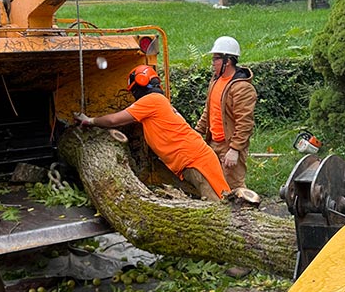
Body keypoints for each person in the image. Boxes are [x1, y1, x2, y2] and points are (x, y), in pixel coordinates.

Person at [74, 65, 230, 201]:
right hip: (190, 160)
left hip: (195, 160)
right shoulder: (159, 102)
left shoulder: (152, 101)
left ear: (139, 85)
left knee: (219, 204)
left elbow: (114, 120)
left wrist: (90, 121)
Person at [194, 36, 257, 190]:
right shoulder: (215, 81)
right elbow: (209, 111)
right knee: (213, 186)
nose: (212, 63)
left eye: (215, 59)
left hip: (229, 145)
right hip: (213, 142)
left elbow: (245, 123)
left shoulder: (242, 88)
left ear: (227, 61)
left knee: (234, 189)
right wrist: (196, 132)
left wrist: (234, 150)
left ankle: (245, 213)